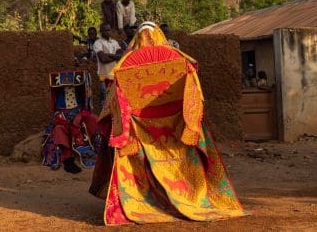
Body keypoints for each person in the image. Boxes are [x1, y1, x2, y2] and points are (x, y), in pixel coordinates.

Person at [89, 21, 247, 225]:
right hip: (175, 125)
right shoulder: (178, 59)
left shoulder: (127, 63)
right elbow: (193, 91)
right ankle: (189, 196)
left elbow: (113, 101)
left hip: (138, 126)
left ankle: (143, 199)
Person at [93, 23, 123, 111]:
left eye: (109, 30)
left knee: (116, 98)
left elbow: (122, 55)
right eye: (105, 30)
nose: (108, 32)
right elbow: (103, 59)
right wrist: (115, 56)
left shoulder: (114, 42)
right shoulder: (97, 43)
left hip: (114, 75)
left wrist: (109, 55)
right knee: (104, 99)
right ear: (101, 32)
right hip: (104, 75)